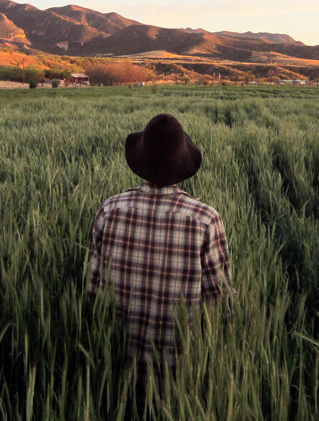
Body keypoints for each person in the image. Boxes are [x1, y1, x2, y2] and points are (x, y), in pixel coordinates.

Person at [87, 113, 233, 380]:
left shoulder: (109, 210)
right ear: (182, 163)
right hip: (181, 372)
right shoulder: (205, 220)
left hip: (115, 367)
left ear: (140, 160)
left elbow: (94, 294)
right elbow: (220, 304)